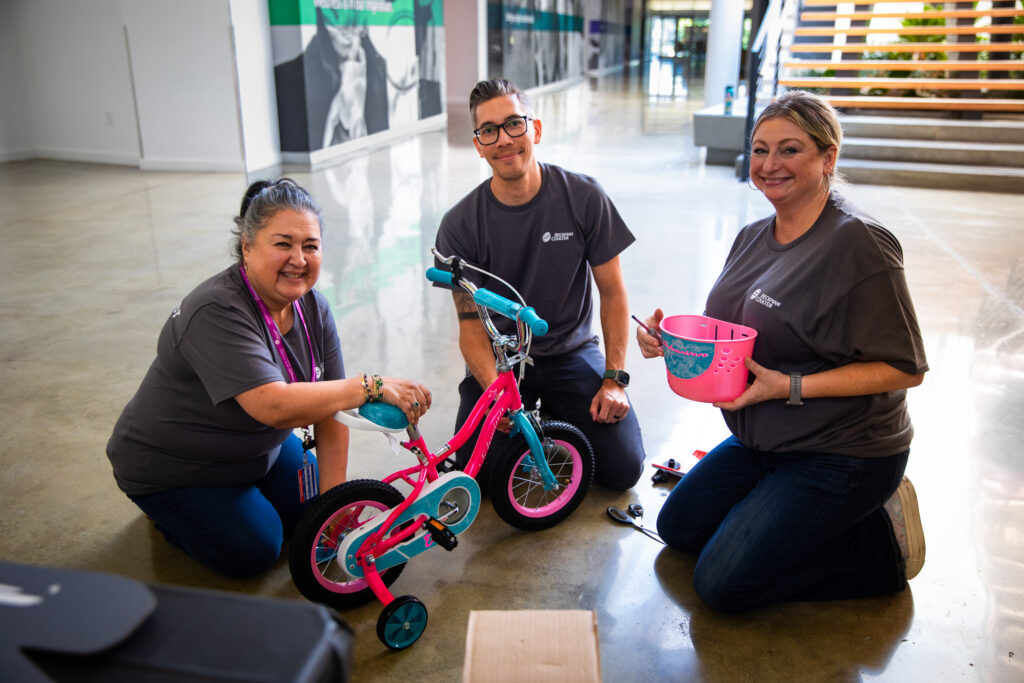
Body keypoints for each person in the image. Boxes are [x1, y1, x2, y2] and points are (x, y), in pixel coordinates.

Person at [637, 90, 928, 612]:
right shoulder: (753, 235)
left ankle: (879, 546)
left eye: (790, 150)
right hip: (765, 439)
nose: (770, 165)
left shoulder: (860, 245)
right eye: (760, 149)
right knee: (678, 527)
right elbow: (741, 327)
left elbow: (905, 368)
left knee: (722, 585)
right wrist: (674, 343)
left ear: (827, 158)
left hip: (845, 451)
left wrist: (790, 386)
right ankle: (783, 516)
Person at [106, 179, 431, 577]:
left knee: (310, 521)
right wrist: (368, 386)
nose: (298, 258)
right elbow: (271, 405)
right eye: (283, 243)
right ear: (247, 246)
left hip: (260, 451)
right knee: (259, 550)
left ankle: (247, 501)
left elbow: (331, 411)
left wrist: (333, 509)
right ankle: (170, 520)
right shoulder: (215, 310)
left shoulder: (314, 307)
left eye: (310, 246)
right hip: (178, 468)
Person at [434, 78, 646, 491]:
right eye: (489, 131)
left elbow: (614, 293)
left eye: (514, 124)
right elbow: (471, 329)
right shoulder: (460, 225)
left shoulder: (583, 197)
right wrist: (495, 392)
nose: (504, 140)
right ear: (478, 144)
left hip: (572, 352)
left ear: (536, 130)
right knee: (483, 479)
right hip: (502, 362)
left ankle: (552, 416)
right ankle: (542, 419)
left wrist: (614, 378)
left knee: (622, 470)